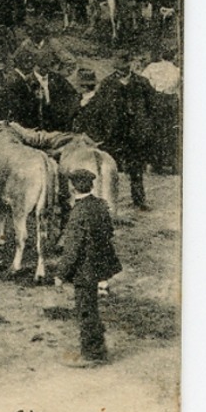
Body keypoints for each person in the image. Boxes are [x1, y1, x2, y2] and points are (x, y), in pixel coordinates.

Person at [53, 171, 123, 366]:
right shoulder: (100, 205)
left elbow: (72, 248)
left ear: (73, 188)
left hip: (84, 270)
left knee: (85, 310)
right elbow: (109, 232)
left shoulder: (77, 212)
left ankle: (91, 355)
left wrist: (61, 274)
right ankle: (99, 349)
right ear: (91, 186)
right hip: (99, 266)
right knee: (92, 307)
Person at [77, 53, 158, 210]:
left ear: (130, 64)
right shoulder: (108, 83)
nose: (122, 67)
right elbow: (98, 107)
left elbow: (152, 106)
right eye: (119, 64)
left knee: (136, 168)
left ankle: (139, 200)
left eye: (125, 64)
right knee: (109, 168)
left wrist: (146, 125)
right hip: (113, 134)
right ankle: (105, 201)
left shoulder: (141, 83)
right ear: (115, 66)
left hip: (135, 133)